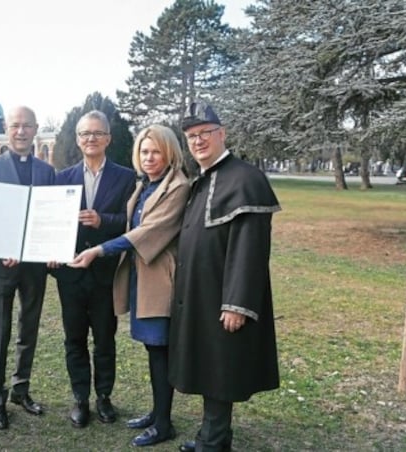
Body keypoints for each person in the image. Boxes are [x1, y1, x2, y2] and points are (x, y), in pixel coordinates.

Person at [170, 101, 281, 452]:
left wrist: (237, 304)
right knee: (211, 364)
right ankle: (213, 436)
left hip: (223, 294)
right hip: (201, 290)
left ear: (222, 134)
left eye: (205, 133)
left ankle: (214, 442)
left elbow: (249, 251)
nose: (198, 141)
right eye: (191, 136)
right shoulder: (202, 180)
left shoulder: (246, 179)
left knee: (221, 367)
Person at [70, 124, 190, 447]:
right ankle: (156, 413)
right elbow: (128, 222)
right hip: (142, 277)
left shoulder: (177, 186)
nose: (149, 157)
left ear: (170, 153)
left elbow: (147, 232)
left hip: (161, 280)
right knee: (154, 350)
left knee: (160, 351)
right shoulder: (146, 186)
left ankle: (163, 424)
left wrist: (99, 249)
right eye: (144, 151)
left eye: (156, 151)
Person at [51, 110, 135, 428]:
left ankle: (104, 397)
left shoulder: (126, 178)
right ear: (77, 138)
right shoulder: (63, 177)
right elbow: (53, 225)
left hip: (104, 273)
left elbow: (129, 224)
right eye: (85, 133)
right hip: (70, 273)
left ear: (108, 139)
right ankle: (80, 398)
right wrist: (52, 251)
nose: (91, 139)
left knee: (104, 338)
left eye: (97, 133)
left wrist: (103, 221)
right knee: (74, 338)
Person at [0, 105, 56, 430]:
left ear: (36, 128)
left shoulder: (47, 171)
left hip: (35, 265)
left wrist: (53, 247)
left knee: (29, 327)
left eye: (26, 126)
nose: (21, 131)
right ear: (6, 130)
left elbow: (52, 217)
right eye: (15, 126)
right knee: (1, 330)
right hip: (2, 266)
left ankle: (21, 389)